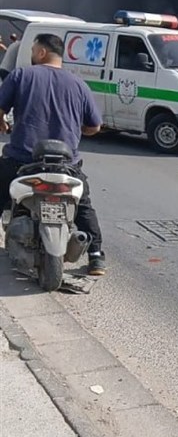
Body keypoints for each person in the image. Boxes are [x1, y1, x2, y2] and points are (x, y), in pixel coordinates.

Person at [0, 33, 106, 276]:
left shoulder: (21, 75)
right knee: (84, 206)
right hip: (66, 165)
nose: (31, 55)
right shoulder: (78, 84)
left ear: (41, 53)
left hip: (22, 160)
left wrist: (3, 124)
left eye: (33, 51)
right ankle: (96, 256)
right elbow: (94, 126)